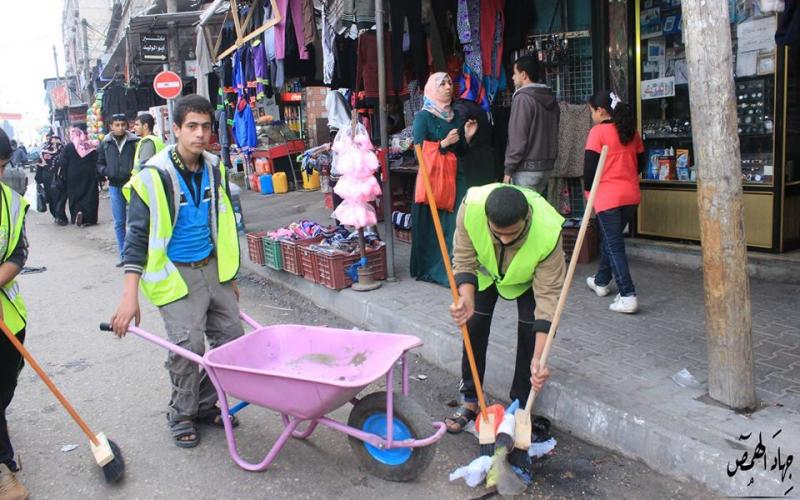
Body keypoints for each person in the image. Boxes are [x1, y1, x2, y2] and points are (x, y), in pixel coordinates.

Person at [110, 94, 243, 449]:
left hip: (213, 270)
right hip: (175, 273)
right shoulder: (153, 175)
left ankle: (203, 405)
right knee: (189, 347)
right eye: (192, 127)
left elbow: (222, 224)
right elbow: (136, 238)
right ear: (176, 129)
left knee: (233, 341)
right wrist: (129, 297)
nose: (200, 134)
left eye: (205, 127)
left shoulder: (215, 167)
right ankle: (181, 413)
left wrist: (228, 278)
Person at [444, 184, 565, 433]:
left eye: (513, 233)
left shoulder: (548, 231)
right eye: (498, 233)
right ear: (488, 220)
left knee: (532, 335)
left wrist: (540, 359)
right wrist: (466, 298)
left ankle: (519, 409)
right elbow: (464, 256)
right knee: (473, 324)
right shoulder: (472, 209)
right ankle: (471, 398)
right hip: (487, 273)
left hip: (529, 279)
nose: (505, 239)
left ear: (527, 219)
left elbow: (548, 299)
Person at [411, 72, 478, 286]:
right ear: (432, 88)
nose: (448, 86)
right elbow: (418, 152)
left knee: (458, 223)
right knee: (436, 225)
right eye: (442, 83)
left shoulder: (456, 116)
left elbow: (461, 151)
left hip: (455, 176)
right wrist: (442, 144)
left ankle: (457, 268)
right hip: (434, 179)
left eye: (450, 82)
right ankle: (437, 270)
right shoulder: (423, 117)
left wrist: (466, 137)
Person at [584, 90, 645, 314]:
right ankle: (601, 281)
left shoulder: (597, 132)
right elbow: (640, 163)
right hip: (630, 195)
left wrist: (588, 192)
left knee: (614, 244)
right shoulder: (631, 132)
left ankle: (628, 295)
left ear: (600, 111)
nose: (592, 115)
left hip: (607, 197)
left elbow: (589, 168)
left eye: (592, 111)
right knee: (611, 241)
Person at [0, 129, 32, 500]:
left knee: (5, 383)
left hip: (9, 314)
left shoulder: (10, 201)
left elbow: (18, 254)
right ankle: (3, 465)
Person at [503, 55, 560, 195]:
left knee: (525, 215)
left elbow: (518, 138)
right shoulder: (551, 98)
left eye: (514, 73)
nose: (512, 78)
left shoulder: (523, 98)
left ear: (523, 75)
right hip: (547, 168)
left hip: (526, 170)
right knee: (537, 213)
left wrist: (508, 170)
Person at [97, 114, 139, 266]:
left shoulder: (135, 142)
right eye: (117, 125)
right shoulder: (105, 143)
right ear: (111, 126)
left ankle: (137, 254)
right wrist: (107, 171)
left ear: (127, 126)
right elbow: (99, 163)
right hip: (115, 186)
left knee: (135, 221)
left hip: (133, 185)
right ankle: (124, 255)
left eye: (123, 124)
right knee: (119, 222)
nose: (120, 127)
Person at [60, 125, 100, 226]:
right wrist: (100, 176)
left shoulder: (69, 146)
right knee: (90, 195)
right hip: (89, 174)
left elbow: (63, 162)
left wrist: (64, 176)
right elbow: (96, 160)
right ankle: (90, 218)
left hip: (73, 175)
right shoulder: (89, 145)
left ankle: (77, 213)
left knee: (74, 195)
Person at [36, 133, 67, 225]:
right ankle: (60, 216)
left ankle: (57, 216)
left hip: (48, 177)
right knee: (61, 197)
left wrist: (38, 180)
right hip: (60, 176)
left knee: (52, 198)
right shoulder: (63, 150)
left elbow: (39, 166)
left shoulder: (44, 151)